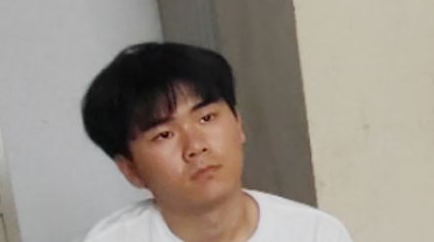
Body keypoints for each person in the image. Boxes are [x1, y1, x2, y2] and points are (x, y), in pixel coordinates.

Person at [79, 42, 354, 242]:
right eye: (164, 135)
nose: (195, 147)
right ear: (130, 170)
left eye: (207, 118)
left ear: (238, 124)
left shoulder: (315, 234)